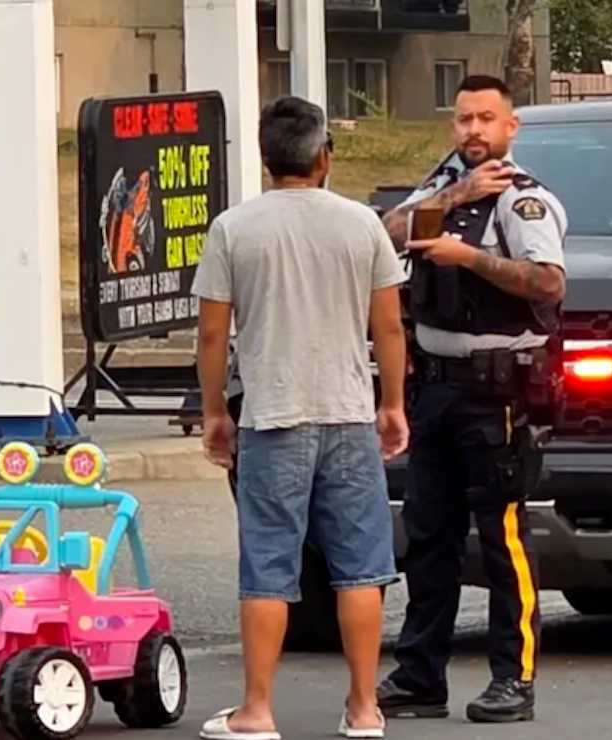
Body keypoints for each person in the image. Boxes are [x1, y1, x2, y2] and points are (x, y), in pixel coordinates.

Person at [193, 95, 410, 740]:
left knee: (267, 565)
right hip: (347, 413)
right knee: (362, 566)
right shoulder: (362, 225)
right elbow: (390, 324)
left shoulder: (235, 228)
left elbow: (211, 335)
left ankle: (257, 709)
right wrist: (391, 403)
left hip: (272, 414)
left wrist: (212, 412)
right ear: (324, 156)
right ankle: (365, 707)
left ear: (267, 161)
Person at [376, 74, 568, 724]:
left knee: (500, 539)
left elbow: (547, 283)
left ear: (511, 127)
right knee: (427, 537)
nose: (474, 131)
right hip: (434, 389)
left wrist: (469, 258)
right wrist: (453, 194)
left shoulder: (523, 202)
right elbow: (386, 234)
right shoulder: (441, 189)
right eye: (463, 120)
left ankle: (513, 679)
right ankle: (418, 678)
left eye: (487, 119)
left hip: (498, 394)